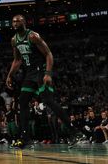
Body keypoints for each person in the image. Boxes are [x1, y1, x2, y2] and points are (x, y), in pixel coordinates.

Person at [5, 14, 71, 148]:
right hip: (30, 73)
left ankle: (73, 132)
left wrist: (48, 73)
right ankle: (25, 138)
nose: (15, 23)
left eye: (17, 21)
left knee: (47, 100)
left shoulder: (33, 36)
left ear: (24, 22)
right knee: (22, 101)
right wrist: (9, 75)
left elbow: (48, 54)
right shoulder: (14, 40)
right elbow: (17, 60)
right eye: (13, 21)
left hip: (41, 70)